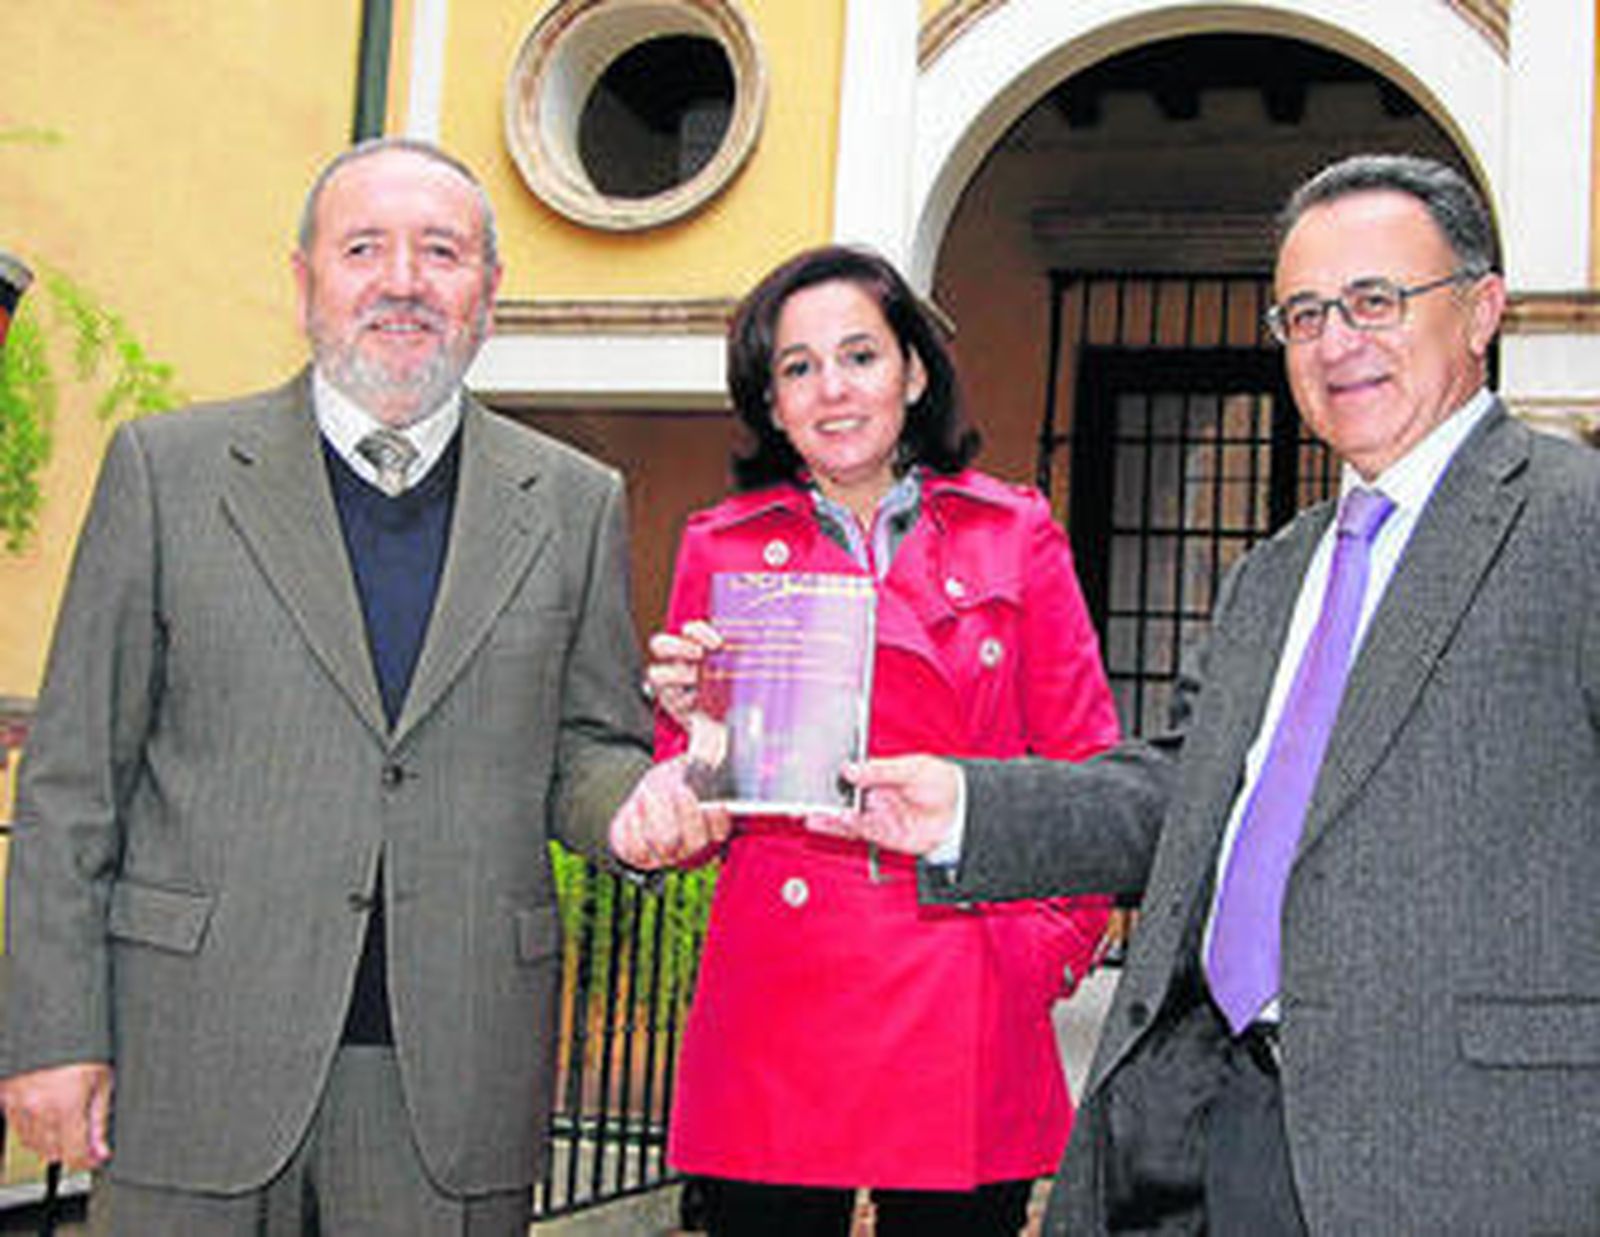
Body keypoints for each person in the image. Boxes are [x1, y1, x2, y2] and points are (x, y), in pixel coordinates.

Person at [829, 153, 1600, 1233]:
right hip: (1204, 1124)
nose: (1337, 342)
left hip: (1468, 1153)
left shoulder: (1574, 522)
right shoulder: (1276, 571)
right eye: (1303, 313)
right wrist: (964, 805)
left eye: (1376, 300)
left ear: (1479, 312)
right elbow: (1185, 791)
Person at [0, 137, 656, 1234]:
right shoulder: (167, 473)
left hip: (449, 1073)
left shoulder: (573, 501)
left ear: (487, 294)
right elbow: (75, 779)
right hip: (194, 1051)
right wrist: (53, 1030)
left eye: (440, 252)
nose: (403, 280)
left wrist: (637, 808)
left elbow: (588, 747)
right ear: (304, 283)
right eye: (364, 248)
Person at [610, 245, 1121, 1236]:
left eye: (859, 355)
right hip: (779, 1000)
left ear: (912, 372)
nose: (832, 389)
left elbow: (1086, 771)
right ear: (769, 400)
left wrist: (1044, 949)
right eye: (797, 367)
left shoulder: (1012, 534)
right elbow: (706, 804)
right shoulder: (718, 544)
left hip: (963, 977)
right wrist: (685, 729)